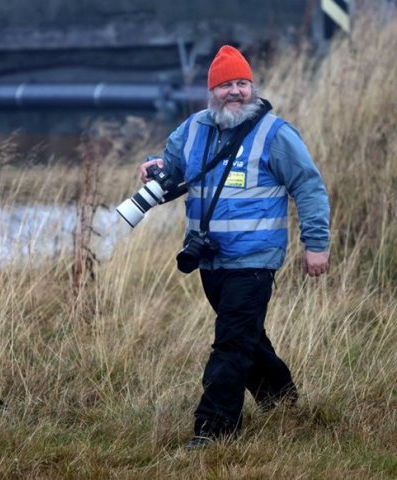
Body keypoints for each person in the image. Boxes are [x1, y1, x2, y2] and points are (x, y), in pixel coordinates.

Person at [139, 45, 330, 448]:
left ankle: (213, 429)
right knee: (246, 337)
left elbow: (308, 186)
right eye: (227, 84)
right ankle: (282, 401)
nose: (236, 92)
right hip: (208, 259)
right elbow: (170, 168)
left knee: (230, 341)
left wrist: (316, 243)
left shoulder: (276, 133)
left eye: (243, 83)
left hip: (255, 259)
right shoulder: (191, 129)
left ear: (252, 87)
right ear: (213, 91)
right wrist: (153, 164)